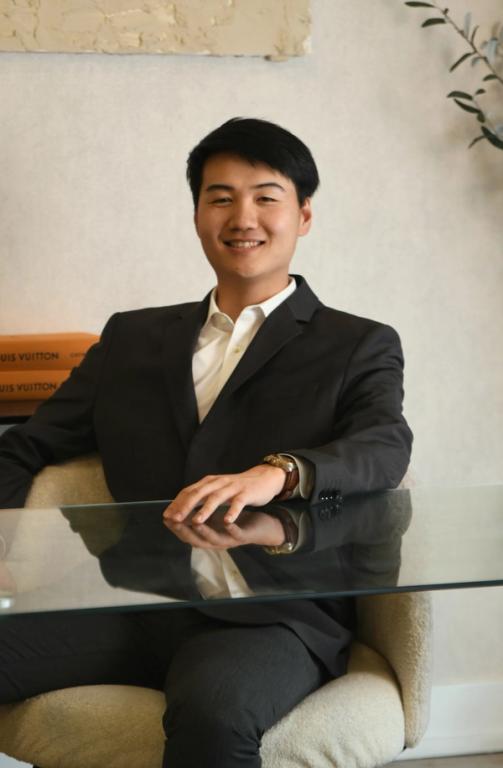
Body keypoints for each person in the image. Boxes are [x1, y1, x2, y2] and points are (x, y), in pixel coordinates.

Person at [0, 117, 413, 768]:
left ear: (303, 216)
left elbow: (384, 446)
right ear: (196, 214)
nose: (241, 216)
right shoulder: (132, 339)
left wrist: (277, 474)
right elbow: (24, 446)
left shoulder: (356, 343)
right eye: (219, 197)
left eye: (265, 197)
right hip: (129, 599)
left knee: (213, 714)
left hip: (271, 615)